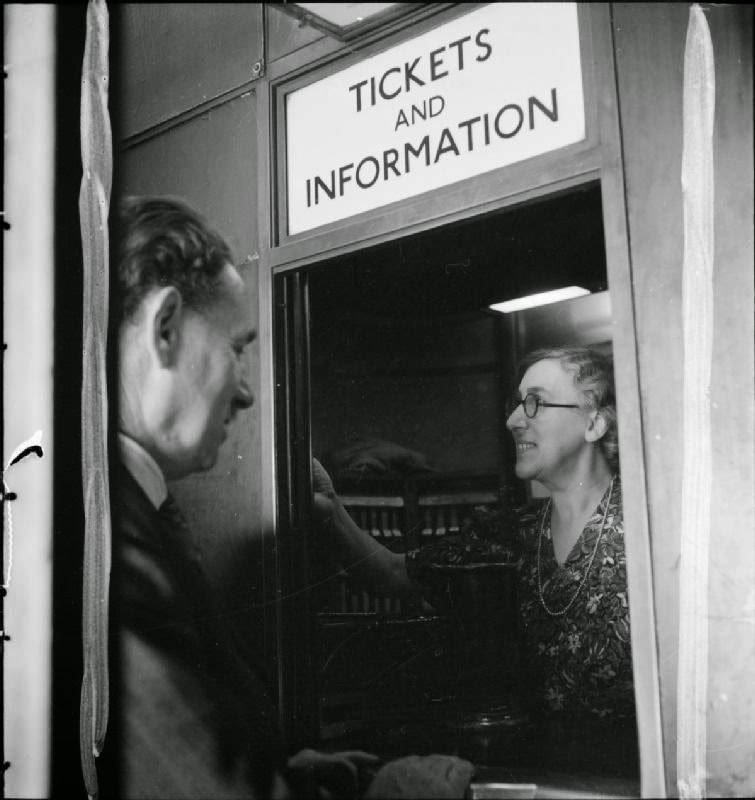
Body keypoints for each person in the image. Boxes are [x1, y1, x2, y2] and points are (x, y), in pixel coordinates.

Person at [109, 195, 378, 799]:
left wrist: (282, 769)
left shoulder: (130, 509)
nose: (249, 392)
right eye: (237, 347)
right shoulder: (96, 544)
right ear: (166, 328)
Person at [313, 346, 635, 742]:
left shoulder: (647, 527)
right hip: (551, 766)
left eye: (535, 402)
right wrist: (328, 507)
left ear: (595, 423)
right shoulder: (512, 533)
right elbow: (395, 574)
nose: (515, 419)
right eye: (516, 404)